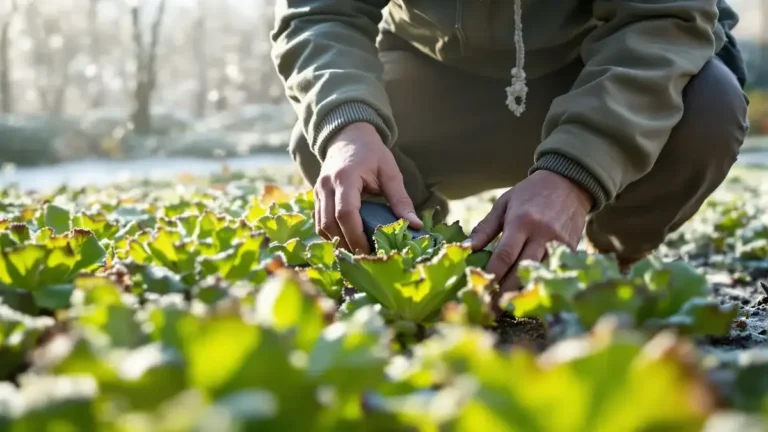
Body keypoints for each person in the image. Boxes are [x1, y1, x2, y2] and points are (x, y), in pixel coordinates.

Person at [270, 0, 749, 292]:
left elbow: (664, 22)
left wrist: (575, 176)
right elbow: (321, 12)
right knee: (333, 136)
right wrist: (348, 128)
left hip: (595, 74)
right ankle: (420, 263)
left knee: (709, 105)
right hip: (441, 80)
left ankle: (604, 267)